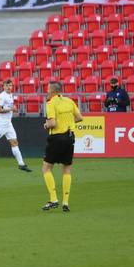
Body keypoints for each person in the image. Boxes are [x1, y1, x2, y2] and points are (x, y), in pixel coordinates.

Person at [41, 81, 83, 212]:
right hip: (70, 137)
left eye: (48, 89)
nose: (47, 91)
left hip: (57, 138)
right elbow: (79, 117)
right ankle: (65, 202)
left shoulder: (51, 103)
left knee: (46, 168)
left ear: (53, 91)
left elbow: (52, 123)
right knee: (67, 169)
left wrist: (46, 125)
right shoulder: (69, 101)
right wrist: (69, 122)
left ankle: (53, 199)